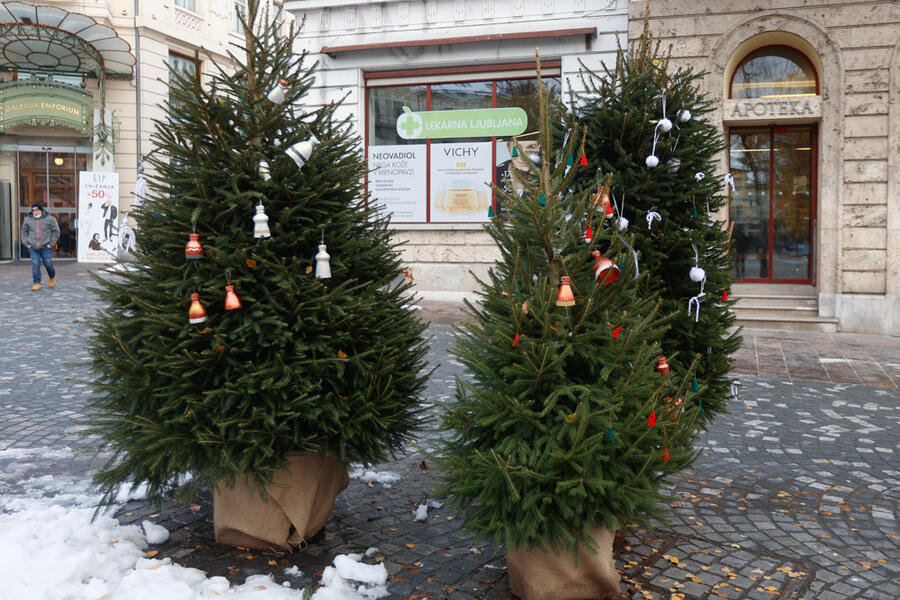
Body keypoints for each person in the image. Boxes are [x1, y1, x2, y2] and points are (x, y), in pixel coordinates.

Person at [21, 203, 60, 291]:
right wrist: (27, 244)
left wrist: (51, 244)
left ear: (41, 210)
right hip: (33, 247)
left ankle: (52, 276)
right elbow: (23, 232)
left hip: (46, 246)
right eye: (34, 211)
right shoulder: (27, 220)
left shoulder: (50, 219)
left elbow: (56, 232)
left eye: (37, 210)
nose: (35, 212)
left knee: (48, 263)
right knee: (35, 265)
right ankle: (37, 283)